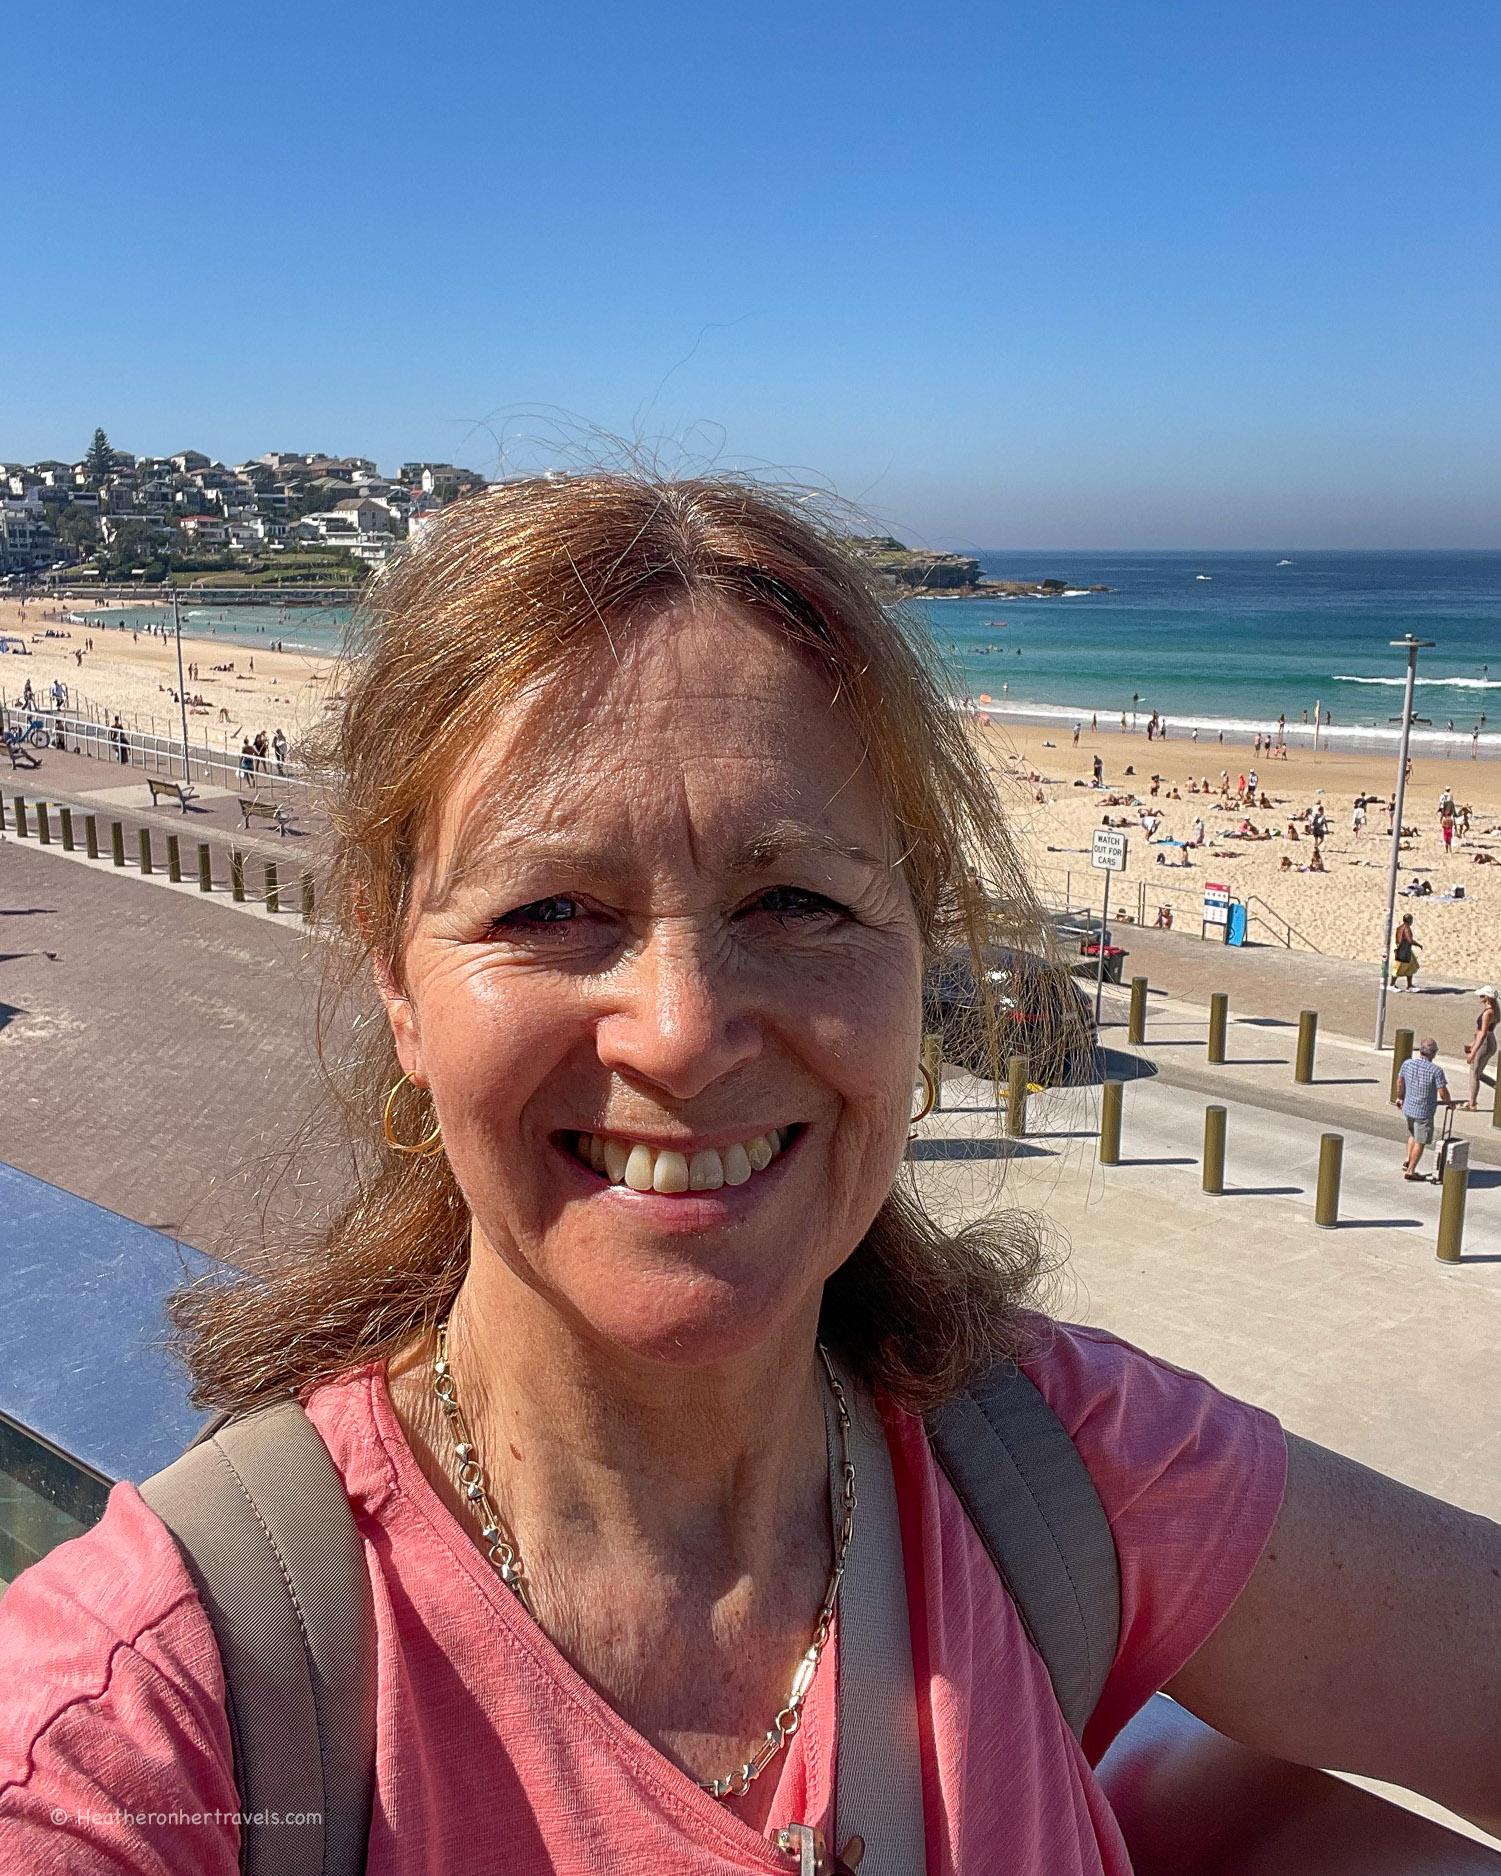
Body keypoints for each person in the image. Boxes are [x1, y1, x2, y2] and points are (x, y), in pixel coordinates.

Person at [1, 474, 1497, 1872]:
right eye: (553, 908)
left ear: (921, 953)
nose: (685, 1031)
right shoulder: (152, 1713)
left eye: (794, 899)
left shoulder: (1065, 1468)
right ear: (396, 980)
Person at [1394, 1038, 1455, 1180]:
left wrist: (1400, 1097)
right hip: (1424, 1111)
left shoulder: (1407, 1064)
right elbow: (1442, 1092)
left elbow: (1400, 1081)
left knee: (1413, 1135)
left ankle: (1408, 1159)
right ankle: (1411, 1170)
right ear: (1433, 1053)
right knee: (1420, 1141)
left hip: (1408, 1107)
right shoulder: (1436, 1071)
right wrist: (1450, 1103)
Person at [1463, 986, 1499, 1109]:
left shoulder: (1487, 1013)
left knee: (1474, 1073)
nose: (1480, 998)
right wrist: (1473, 1044)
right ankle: (1497, 1087)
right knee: (1478, 1072)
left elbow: (1482, 1033)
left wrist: (1473, 1052)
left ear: (1486, 998)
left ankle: (1472, 1103)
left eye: (1482, 996)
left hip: (1484, 1043)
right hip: (1490, 1042)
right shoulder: (1495, 1010)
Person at [1392, 916, 1420, 988]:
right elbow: (1409, 940)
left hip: (1404, 950)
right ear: (1409, 920)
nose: (1412, 921)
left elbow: (1397, 940)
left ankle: (1409, 985)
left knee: (1412, 967)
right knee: (1398, 969)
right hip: (1404, 951)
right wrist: (1418, 945)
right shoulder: (1406, 928)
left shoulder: (1399, 928)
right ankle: (1392, 985)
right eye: (1411, 920)